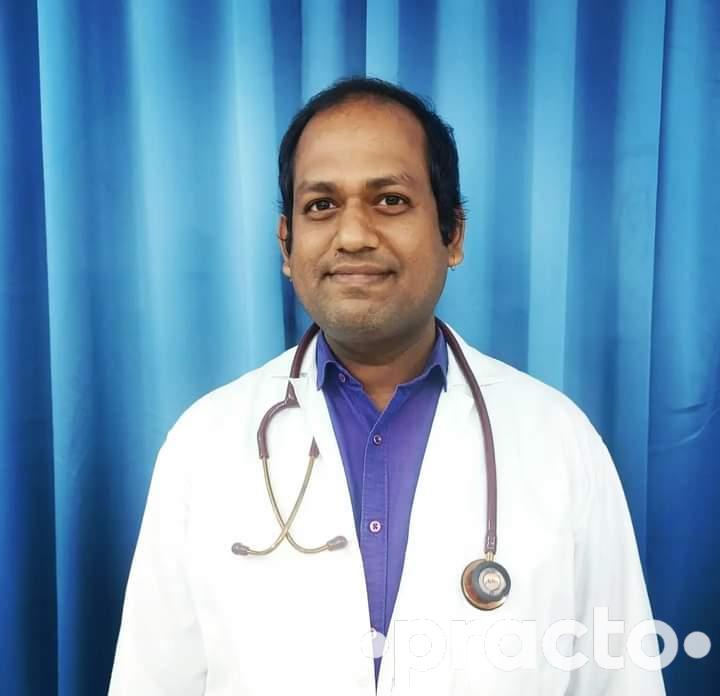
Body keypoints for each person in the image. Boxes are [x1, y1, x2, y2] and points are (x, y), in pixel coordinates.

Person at [108, 77, 666, 695]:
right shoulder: (203, 444)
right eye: (321, 205)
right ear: (286, 244)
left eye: (391, 200)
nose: (353, 235)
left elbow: (621, 680)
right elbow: (152, 679)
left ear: (453, 234)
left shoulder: (560, 440)